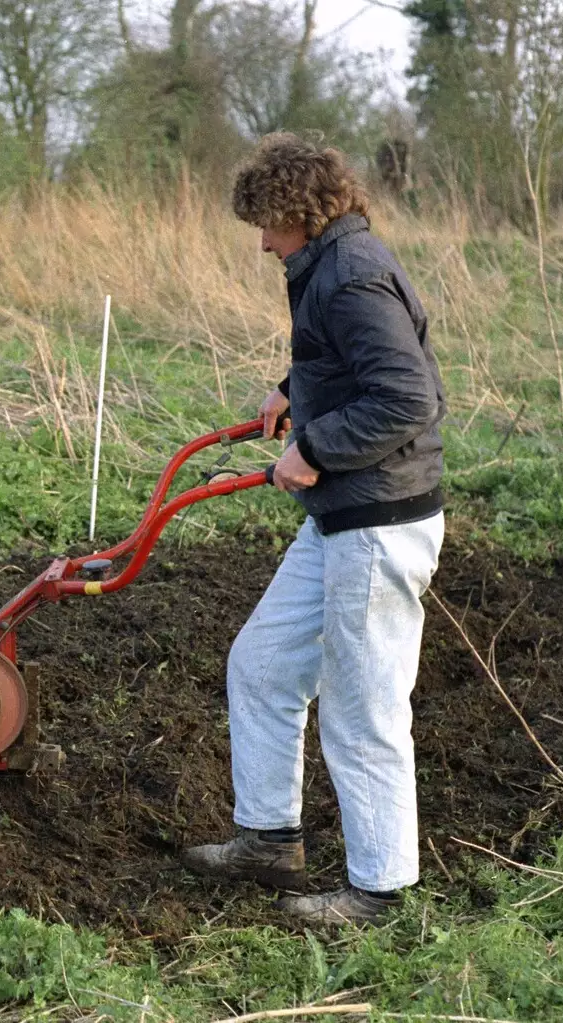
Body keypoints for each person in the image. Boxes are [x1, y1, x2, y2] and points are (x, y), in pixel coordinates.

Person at [180, 133, 447, 926]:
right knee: (261, 664)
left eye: (266, 223)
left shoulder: (353, 276)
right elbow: (346, 366)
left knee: (364, 710)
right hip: (342, 516)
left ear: (299, 211)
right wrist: (292, 388)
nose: (261, 242)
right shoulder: (326, 265)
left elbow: (407, 398)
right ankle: (267, 840)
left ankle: (381, 892)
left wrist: (315, 448)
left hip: (378, 522)